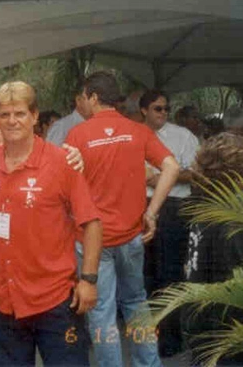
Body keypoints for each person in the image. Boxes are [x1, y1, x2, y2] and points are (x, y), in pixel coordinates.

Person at [0, 81, 102, 366]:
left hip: (55, 300)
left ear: (35, 116)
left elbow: (93, 223)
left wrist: (88, 280)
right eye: (5, 115)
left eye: (20, 114)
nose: (12, 121)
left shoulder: (61, 162)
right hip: (4, 299)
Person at [66, 72, 180, 367]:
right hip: (132, 236)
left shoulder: (78, 135)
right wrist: (151, 212)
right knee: (136, 305)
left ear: (92, 97)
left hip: (93, 242)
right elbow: (172, 167)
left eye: (85, 98)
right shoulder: (138, 131)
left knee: (102, 314)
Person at [183, 132, 243, 365]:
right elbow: (236, 275)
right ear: (238, 175)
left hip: (199, 315)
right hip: (224, 326)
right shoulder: (234, 217)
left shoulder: (205, 204)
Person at [140, 89, 199, 357]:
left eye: (166, 108)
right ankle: (146, 335)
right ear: (144, 111)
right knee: (144, 275)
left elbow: (196, 173)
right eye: (157, 108)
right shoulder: (133, 135)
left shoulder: (182, 136)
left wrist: (163, 178)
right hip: (139, 207)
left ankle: (171, 340)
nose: (163, 113)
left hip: (174, 209)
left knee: (171, 275)